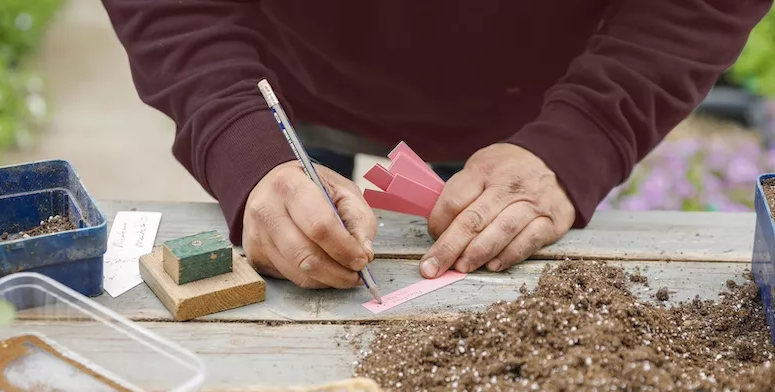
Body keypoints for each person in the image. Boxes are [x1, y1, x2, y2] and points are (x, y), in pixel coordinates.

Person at [101, 1, 771, 289]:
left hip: (540, 107)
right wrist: (237, 135)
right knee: (303, 248)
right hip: (288, 81)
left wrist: (586, 134)